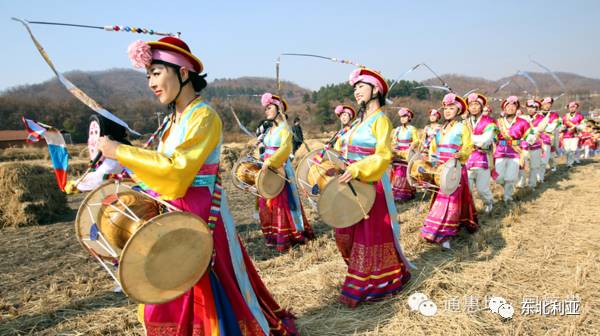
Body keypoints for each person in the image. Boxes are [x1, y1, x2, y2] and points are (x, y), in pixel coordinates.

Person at [99, 37, 298, 335]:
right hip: (172, 208)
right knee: (169, 285)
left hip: (199, 212)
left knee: (198, 283)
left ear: (182, 73)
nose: (151, 83)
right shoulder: (173, 120)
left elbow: (178, 172)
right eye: (148, 75)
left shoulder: (203, 116)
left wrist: (121, 152)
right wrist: (131, 171)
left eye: (156, 73)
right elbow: (160, 163)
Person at [334, 67, 412, 307]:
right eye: (355, 88)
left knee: (370, 236)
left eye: (361, 86)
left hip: (370, 184)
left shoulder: (382, 120)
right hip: (351, 183)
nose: (356, 91)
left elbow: (383, 155)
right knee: (345, 233)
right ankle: (362, 274)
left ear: (376, 89)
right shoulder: (358, 122)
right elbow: (343, 148)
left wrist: (357, 169)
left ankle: (375, 282)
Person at [421, 93, 478, 249]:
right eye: (445, 108)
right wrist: (429, 158)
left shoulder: (462, 127)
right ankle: (435, 230)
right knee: (441, 200)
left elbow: (468, 146)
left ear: (458, 111)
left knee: (452, 201)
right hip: (441, 169)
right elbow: (434, 147)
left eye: (451, 108)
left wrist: (461, 154)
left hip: (455, 168)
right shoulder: (440, 129)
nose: (447, 111)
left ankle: (447, 235)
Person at [258, 93, 314, 251]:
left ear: (278, 109)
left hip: (279, 168)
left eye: (269, 108)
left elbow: (285, 149)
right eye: (266, 108)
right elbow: (265, 149)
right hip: (267, 168)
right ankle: (272, 234)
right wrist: (261, 159)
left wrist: (270, 162)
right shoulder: (269, 130)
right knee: (267, 199)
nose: (266, 111)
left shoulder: (285, 130)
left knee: (281, 201)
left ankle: (289, 234)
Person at [494, 96, 538, 203]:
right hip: (500, 152)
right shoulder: (498, 122)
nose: (510, 108)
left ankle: (507, 197)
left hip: (515, 153)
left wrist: (525, 145)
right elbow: (494, 137)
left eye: (513, 106)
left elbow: (529, 137)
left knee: (511, 177)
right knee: (498, 178)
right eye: (508, 106)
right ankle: (506, 189)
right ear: (504, 109)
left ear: (517, 108)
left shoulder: (523, 122)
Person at [464, 93, 497, 213]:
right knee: (467, 188)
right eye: (471, 105)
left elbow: (485, 141)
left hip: (483, 158)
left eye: (476, 105)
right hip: (467, 159)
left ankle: (489, 202)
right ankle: (470, 210)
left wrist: (468, 137)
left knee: (482, 189)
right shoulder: (464, 122)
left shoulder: (490, 122)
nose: (473, 107)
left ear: (482, 107)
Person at [390, 107, 418, 201]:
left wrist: (411, 147)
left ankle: (405, 194)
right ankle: (395, 193)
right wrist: (394, 147)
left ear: (409, 118)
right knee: (397, 171)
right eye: (401, 117)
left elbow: (417, 140)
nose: (403, 118)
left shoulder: (412, 129)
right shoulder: (397, 129)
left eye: (405, 116)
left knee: (405, 172)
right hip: (398, 153)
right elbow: (394, 140)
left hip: (407, 153)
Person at [517, 99, 544, 188]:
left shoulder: (541, 118)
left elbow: (539, 131)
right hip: (524, 147)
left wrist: (530, 124)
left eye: (533, 108)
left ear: (536, 108)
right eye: (529, 107)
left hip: (536, 146)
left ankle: (532, 185)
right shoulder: (522, 118)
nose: (530, 109)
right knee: (522, 165)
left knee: (534, 166)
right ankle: (521, 183)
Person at [536, 97, 562, 173]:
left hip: (550, 137)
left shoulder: (554, 115)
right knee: (540, 155)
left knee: (551, 154)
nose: (547, 106)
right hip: (539, 138)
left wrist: (542, 128)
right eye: (545, 104)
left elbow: (552, 127)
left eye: (549, 104)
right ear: (541, 105)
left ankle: (553, 165)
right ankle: (541, 170)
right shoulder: (537, 115)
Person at [562, 101, 585, 167]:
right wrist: (564, 128)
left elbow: (583, 125)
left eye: (573, 107)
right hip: (566, 135)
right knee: (567, 150)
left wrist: (576, 127)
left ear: (576, 108)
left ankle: (570, 163)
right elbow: (561, 126)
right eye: (570, 107)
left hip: (575, 135)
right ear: (568, 108)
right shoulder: (565, 117)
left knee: (573, 149)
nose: (572, 108)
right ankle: (568, 161)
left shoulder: (580, 116)